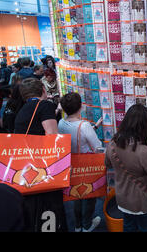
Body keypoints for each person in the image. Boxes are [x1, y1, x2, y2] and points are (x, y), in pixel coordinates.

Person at [14, 77, 66, 232]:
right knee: (51, 207)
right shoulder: (44, 105)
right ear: (43, 89)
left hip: (28, 167)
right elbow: (52, 136)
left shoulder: (23, 110)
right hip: (43, 168)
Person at [105, 104, 147, 232]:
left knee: (128, 226)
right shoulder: (144, 151)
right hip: (141, 200)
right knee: (145, 227)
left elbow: (108, 164)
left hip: (122, 198)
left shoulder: (113, 145)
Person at [58, 93, 103, 232]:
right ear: (80, 106)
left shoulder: (61, 122)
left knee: (76, 194)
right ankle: (87, 225)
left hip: (70, 163)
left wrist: (94, 127)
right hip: (86, 165)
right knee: (89, 195)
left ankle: (78, 225)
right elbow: (97, 147)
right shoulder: (84, 126)